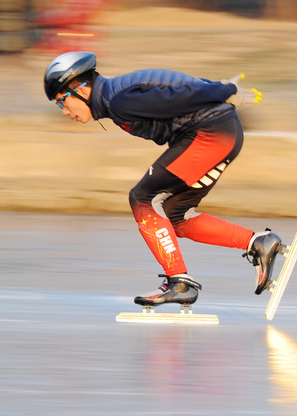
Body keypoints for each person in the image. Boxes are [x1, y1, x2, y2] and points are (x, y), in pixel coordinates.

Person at [43, 51, 282, 308]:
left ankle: (179, 283)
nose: (64, 111)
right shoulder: (116, 94)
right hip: (218, 132)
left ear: (81, 88)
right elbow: (176, 87)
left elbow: (179, 96)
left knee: (142, 197)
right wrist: (218, 88)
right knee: (173, 216)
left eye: (61, 101)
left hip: (210, 134)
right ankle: (257, 242)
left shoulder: (119, 101)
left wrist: (224, 90)